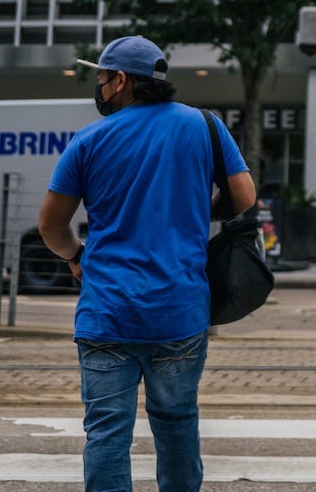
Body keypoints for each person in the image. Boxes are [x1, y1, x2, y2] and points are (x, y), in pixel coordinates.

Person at [38, 35, 254, 492]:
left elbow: (51, 226)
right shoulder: (205, 126)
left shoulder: (89, 140)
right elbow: (244, 197)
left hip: (107, 314)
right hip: (179, 312)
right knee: (177, 424)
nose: (97, 87)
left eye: (100, 78)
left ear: (120, 82)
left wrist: (77, 258)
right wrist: (194, 209)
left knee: (107, 435)